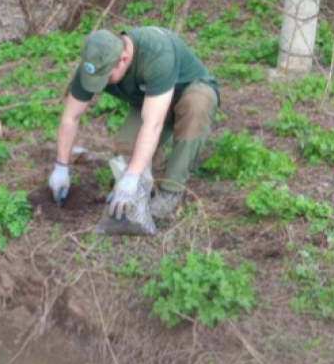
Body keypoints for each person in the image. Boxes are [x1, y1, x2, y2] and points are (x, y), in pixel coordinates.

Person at [48, 27, 220, 229]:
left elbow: (152, 123)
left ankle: (170, 191)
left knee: (196, 107)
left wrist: (131, 178)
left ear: (123, 59)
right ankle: (144, 182)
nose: (100, 84)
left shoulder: (156, 54)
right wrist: (61, 167)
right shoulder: (95, 63)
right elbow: (71, 116)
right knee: (126, 154)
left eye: (106, 79)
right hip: (150, 99)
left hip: (190, 90)